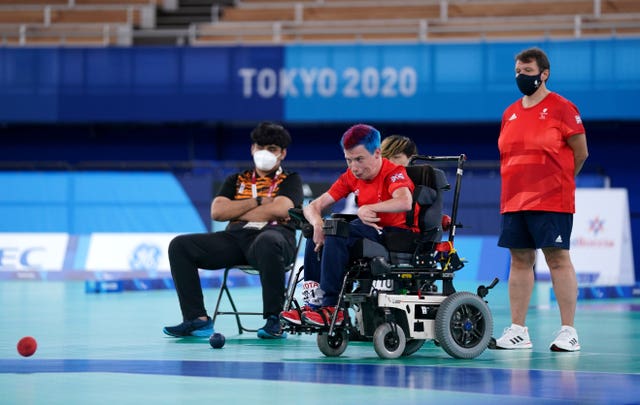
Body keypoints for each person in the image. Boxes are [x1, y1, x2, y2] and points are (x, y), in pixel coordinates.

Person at [163, 122, 304, 339]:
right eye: (261, 147)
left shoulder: (291, 180)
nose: (265, 153)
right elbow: (218, 211)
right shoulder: (236, 180)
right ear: (252, 149)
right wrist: (258, 202)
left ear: (282, 153)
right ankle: (197, 319)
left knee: (268, 240)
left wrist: (236, 211)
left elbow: (282, 208)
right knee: (180, 246)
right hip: (236, 238)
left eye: (273, 149)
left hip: (276, 238)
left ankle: (275, 319)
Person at [494, 47, 588, 352]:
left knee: (557, 259)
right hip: (514, 199)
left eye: (528, 72)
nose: (522, 76)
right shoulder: (509, 112)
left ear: (544, 74)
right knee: (520, 260)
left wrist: (558, 183)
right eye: (518, 72)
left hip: (551, 199)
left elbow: (581, 152)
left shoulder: (562, 107)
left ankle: (568, 331)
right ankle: (518, 330)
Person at [280, 124, 419, 326]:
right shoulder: (351, 176)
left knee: (336, 229)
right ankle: (313, 305)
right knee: (317, 231)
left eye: (360, 159)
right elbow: (313, 206)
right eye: (348, 160)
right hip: (367, 232)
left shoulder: (394, 172)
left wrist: (368, 208)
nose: (354, 167)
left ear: (377, 153)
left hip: (395, 236)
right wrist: (318, 223)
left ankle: (332, 308)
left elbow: (404, 201)